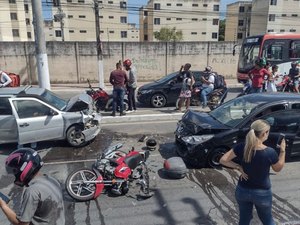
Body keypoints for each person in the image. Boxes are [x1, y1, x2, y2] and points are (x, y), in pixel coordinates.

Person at [220, 119, 286, 225]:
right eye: (268, 131)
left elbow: (223, 160)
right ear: (264, 133)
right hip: (262, 193)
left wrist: (238, 167)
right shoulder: (269, 152)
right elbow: (277, 168)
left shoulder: (242, 146)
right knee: (267, 220)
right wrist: (282, 151)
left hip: (242, 190)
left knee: (244, 220)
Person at [0, 148, 65, 225]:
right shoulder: (52, 180)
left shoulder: (32, 191)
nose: (14, 175)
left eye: (14, 172)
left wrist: (3, 205)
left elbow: (22, 224)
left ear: (24, 169)